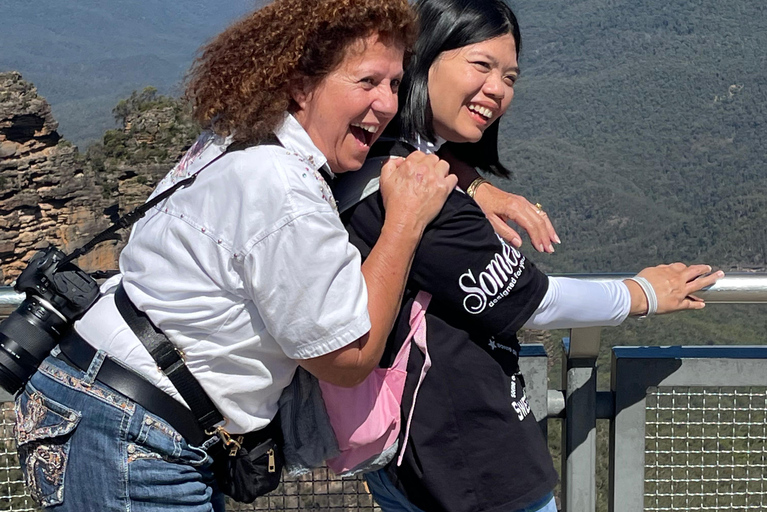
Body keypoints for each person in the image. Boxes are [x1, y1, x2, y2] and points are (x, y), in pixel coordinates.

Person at [13, 1, 458, 510]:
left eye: (396, 85)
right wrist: (404, 222)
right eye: (367, 82)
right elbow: (347, 357)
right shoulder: (283, 187)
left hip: (102, 401)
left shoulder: (235, 140)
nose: (387, 104)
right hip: (130, 435)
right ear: (298, 83)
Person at [332, 0, 724, 511]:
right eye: (481, 65)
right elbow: (536, 301)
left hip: (417, 459)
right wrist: (645, 293)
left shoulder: (382, 158)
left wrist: (473, 187)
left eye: (510, 76)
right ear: (423, 56)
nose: (498, 89)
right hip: (473, 464)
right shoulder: (411, 191)